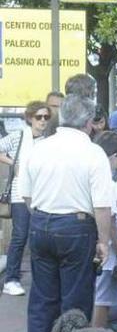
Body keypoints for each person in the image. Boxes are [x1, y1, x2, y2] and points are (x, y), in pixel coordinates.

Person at [20, 95, 115, 332]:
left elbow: (26, 195)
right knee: (74, 301)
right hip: (76, 226)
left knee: (42, 298)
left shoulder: (39, 148)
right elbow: (102, 205)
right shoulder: (93, 153)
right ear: (89, 123)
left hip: (41, 222)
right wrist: (104, 241)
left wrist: (41, 216)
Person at [0, 101, 50, 297]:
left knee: (39, 238)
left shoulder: (49, 140)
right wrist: (15, 163)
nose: (43, 121)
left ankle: (40, 279)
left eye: (46, 117)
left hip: (43, 194)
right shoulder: (19, 136)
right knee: (20, 237)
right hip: (20, 193)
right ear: (30, 118)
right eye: (39, 117)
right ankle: (11, 278)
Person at [91, 131, 117, 328]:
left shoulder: (87, 173)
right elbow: (112, 222)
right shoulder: (107, 182)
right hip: (107, 252)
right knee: (102, 301)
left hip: (88, 247)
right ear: (113, 157)